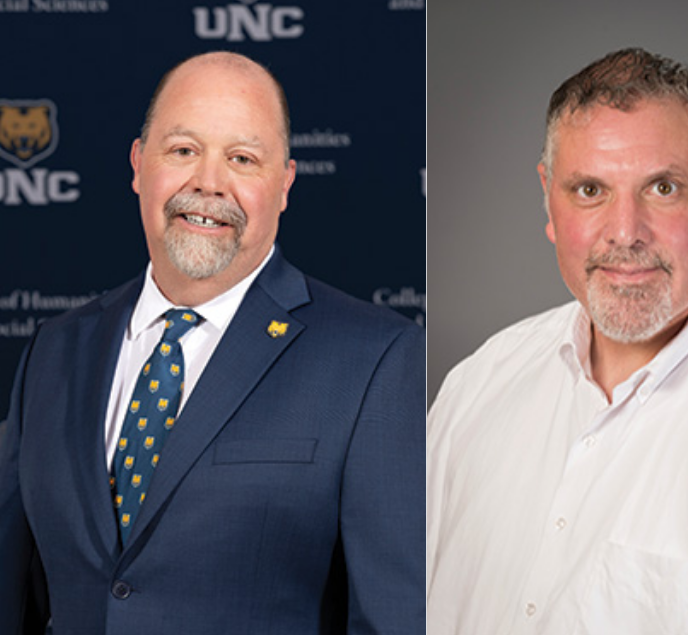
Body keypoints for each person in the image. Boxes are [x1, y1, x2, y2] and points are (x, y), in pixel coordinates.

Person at [427, 48, 688, 633]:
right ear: (548, 197)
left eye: (662, 188)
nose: (625, 233)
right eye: (589, 191)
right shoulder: (477, 386)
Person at [0, 51, 425, 633]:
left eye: (243, 159)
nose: (208, 182)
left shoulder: (376, 360)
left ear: (283, 185)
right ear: (137, 164)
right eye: (183, 151)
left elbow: (391, 618)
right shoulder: (54, 349)